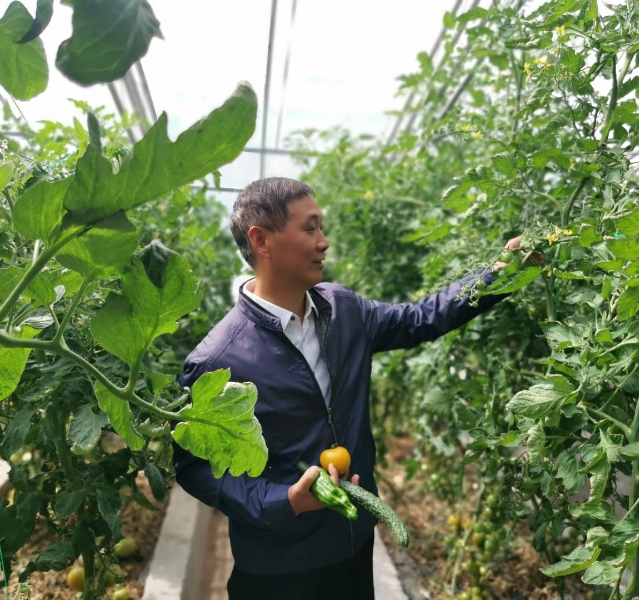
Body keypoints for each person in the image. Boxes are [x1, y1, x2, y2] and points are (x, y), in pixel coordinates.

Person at [173, 177, 520, 600]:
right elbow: (195, 468)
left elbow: (420, 318)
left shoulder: (343, 310)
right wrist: (284, 500)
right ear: (262, 241)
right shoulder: (217, 360)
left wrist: (498, 273)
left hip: (351, 542)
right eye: (310, 229)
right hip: (278, 564)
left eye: (321, 228)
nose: (324, 242)